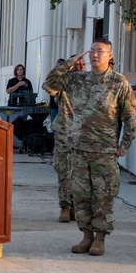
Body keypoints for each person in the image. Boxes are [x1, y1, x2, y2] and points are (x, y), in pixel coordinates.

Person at [43, 38, 136, 256]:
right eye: (92, 50)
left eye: (100, 51)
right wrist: (69, 62)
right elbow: (49, 83)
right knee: (81, 195)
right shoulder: (78, 79)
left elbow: (130, 117)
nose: (95, 54)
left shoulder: (118, 83)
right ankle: (86, 236)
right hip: (78, 149)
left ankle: (100, 239)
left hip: (104, 151)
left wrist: (125, 145)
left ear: (110, 56)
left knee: (104, 196)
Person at [46, 57, 85, 222]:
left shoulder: (90, 83)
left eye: (82, 64)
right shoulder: (64, 82)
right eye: (76, 64)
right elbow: (48, 83)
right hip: (64, 131)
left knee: (80, 173)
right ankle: (64, 206)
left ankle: (76, 206)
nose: (79, 66)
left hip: (84, 133)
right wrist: (67, 64)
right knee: (63, 170)